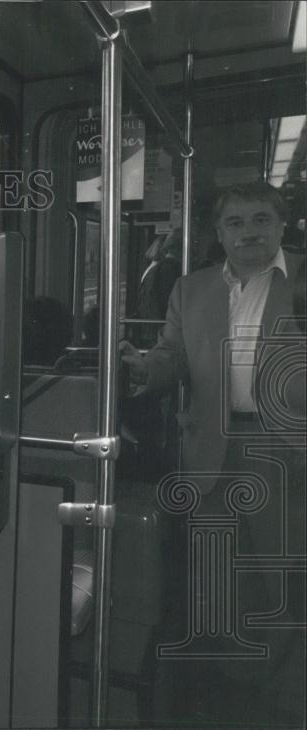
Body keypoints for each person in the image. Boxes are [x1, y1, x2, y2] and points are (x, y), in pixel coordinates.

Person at [120, 181, 305, 727]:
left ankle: (282, 701)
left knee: (284, 581)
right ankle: (229, 693)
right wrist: (142, 369)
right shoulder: (191, 289)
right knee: (217, 579)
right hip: (211, 452)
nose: (248, 232)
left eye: (260, 220)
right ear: (218, 232)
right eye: (235, 222)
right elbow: (172, 357)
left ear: (281, 225)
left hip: (287, 449)